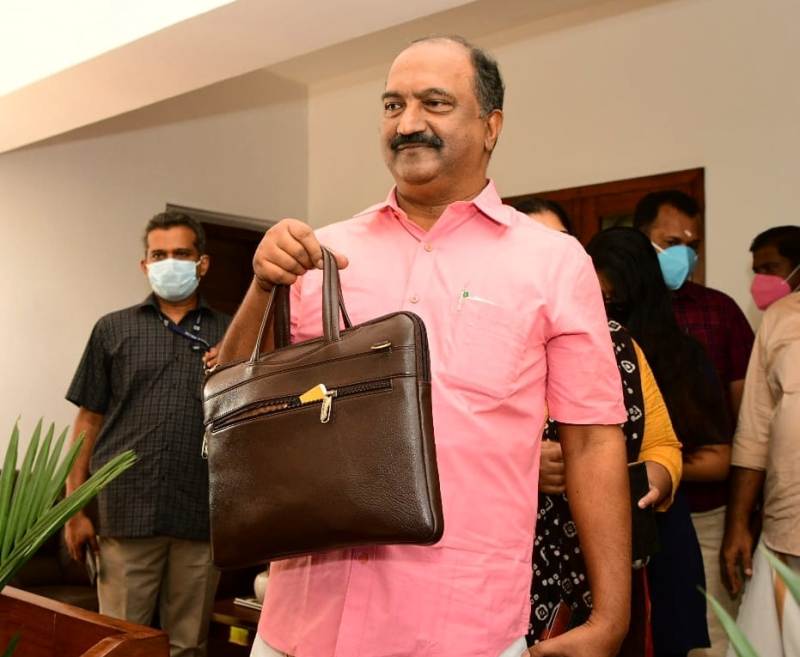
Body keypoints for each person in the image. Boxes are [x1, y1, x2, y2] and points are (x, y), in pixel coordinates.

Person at [218, 36, 632, 657]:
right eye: (393, 105)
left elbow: (593, 440)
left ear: (491, 126)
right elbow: (234, 404)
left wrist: (611, 618)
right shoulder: (320, 252)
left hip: (461, 628)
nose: (408, 123)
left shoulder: (553, 262)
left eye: (434, 103)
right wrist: (261, 286)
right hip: (303, 624)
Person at [64, 212, 231, 657]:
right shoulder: (112, 330)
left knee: (187, 646)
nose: (169, 262)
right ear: (144, 265)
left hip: (201, 514)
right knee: (120, 644)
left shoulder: (233, 333)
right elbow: (88, 420)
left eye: (181, 253)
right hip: (126, 512)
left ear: (202, 263)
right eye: (159, 255)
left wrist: (235, 364)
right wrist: (74, 508)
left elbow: (252, 421)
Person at [527, 209, 682, 653]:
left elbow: (663, 444)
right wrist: (523, 464)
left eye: (561, 242)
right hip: (502, 573)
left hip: (602, 572)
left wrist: (654, 477)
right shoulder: (475, 341)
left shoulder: (615, 341)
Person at [586, 227, 732, 657]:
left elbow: (718, 457)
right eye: (596, 299)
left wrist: (655, 471)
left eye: (615, 302)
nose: (606, 315)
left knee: (663, 637)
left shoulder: (682, 356)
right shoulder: (574, 348)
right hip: (587, 532)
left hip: (661, 524)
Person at [634, 191, 753, 657]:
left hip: (705, 510)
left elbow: (747, 419)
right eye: (671, 242)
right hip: (628, 513)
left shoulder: (719, 311)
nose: (683, 253)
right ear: (642, 239)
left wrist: (743, 515)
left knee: (707, 637)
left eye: (692, 244)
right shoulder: (615, 313)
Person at [720, 225, 800, 657]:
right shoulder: (781, 317)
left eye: (771, 268)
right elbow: (753, 433)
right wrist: (737, 525)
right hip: (786, 532)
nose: (762, 280)